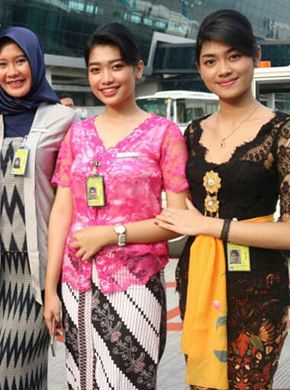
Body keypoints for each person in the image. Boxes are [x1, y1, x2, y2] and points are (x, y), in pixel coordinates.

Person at [154, 10, 290, 389]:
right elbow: (178, 216)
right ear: (199, 68)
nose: (223, 69)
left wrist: (209, 226)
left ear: (255, 55)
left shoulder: (283, 130)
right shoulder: (191, 133)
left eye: (234, 56)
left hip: (259, 289)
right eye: (210, 61)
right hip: (199, 282)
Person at [43, 23, 189, 389]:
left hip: (134, 284)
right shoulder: (77, 133)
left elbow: (179, 219)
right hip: (76, 284)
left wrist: (112, 234)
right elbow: (62, 210)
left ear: (138, 69)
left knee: (128, 382)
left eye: (116, 66)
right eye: (96, 69)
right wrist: (51, 288)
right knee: (82, 381)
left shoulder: (164, 134)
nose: (106, 78)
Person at [0, 26, 76, 390]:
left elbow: (71, 198)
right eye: (2, 64)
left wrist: (56, 285)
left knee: (11, 372)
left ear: (36, 62)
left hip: (38, 273)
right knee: (11, 375)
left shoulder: (63, 121)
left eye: (20, 61)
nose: (12, 71)